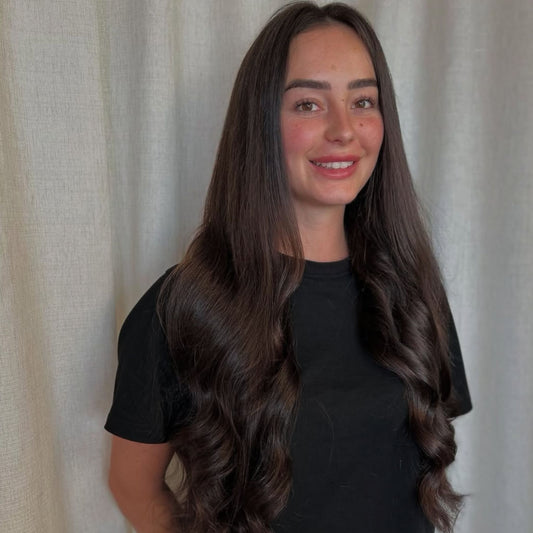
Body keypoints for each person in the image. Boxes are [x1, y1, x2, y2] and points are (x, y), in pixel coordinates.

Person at [105, 2, 472, 532]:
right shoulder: (182, 308)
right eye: (308, 104)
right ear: (260, 123)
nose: (344, 130)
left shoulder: (414, 294)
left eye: (362, 101)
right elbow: (132, 484)